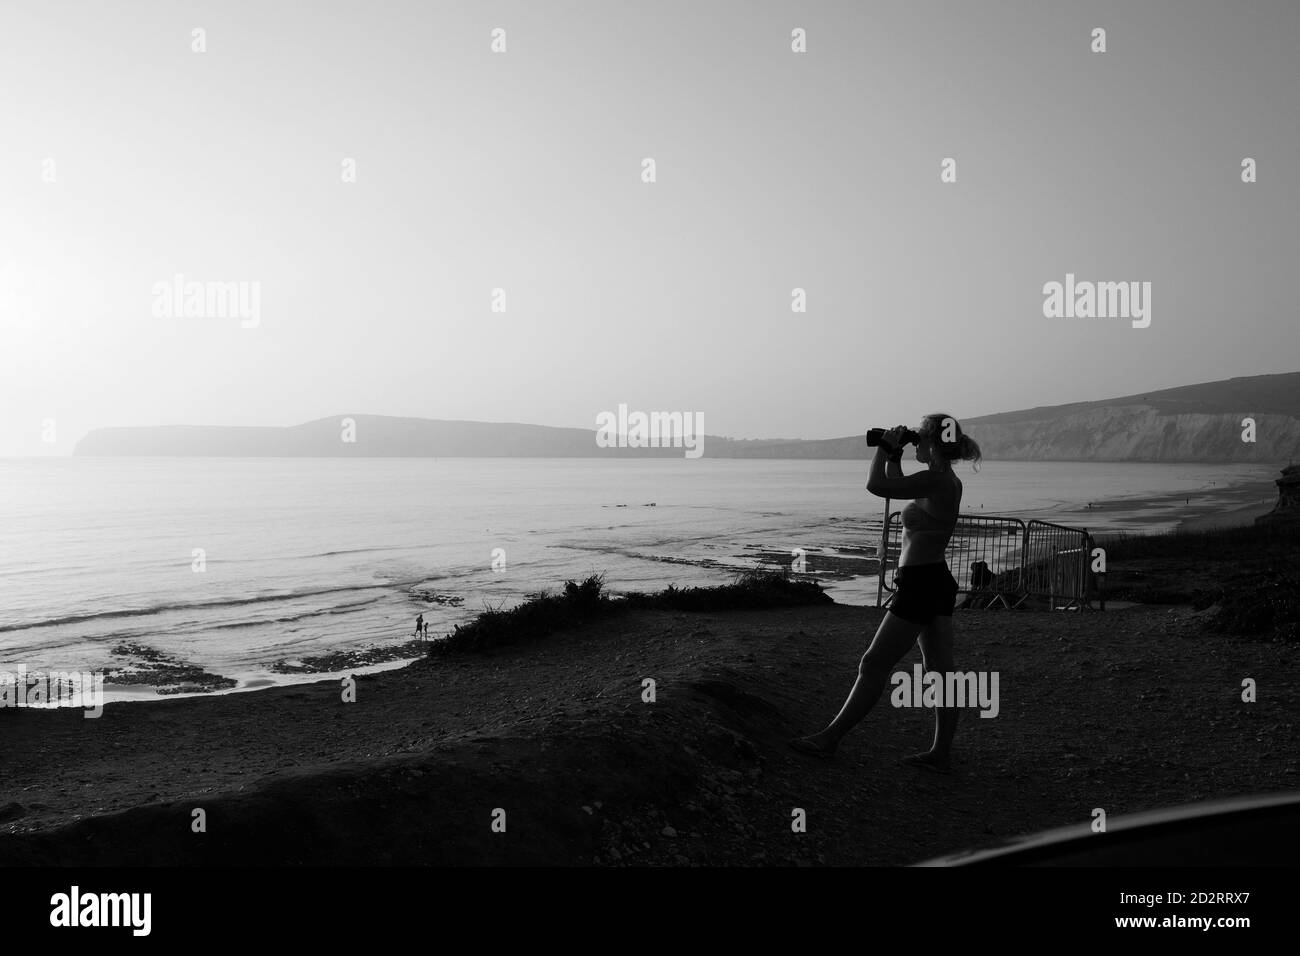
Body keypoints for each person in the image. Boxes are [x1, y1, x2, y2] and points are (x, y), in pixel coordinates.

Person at [789, 414, 982, 772]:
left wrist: (882, 449)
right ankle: (940, 754)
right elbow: (897, 484)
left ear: (933, 444)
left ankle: (829, 739)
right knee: (941, 671)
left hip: (922, 584)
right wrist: (895, 457)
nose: (916, 445)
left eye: (920, 439)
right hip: (933, 579)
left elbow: (876, 485)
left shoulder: (937, 480)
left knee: (874, 663)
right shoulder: (943, 480)